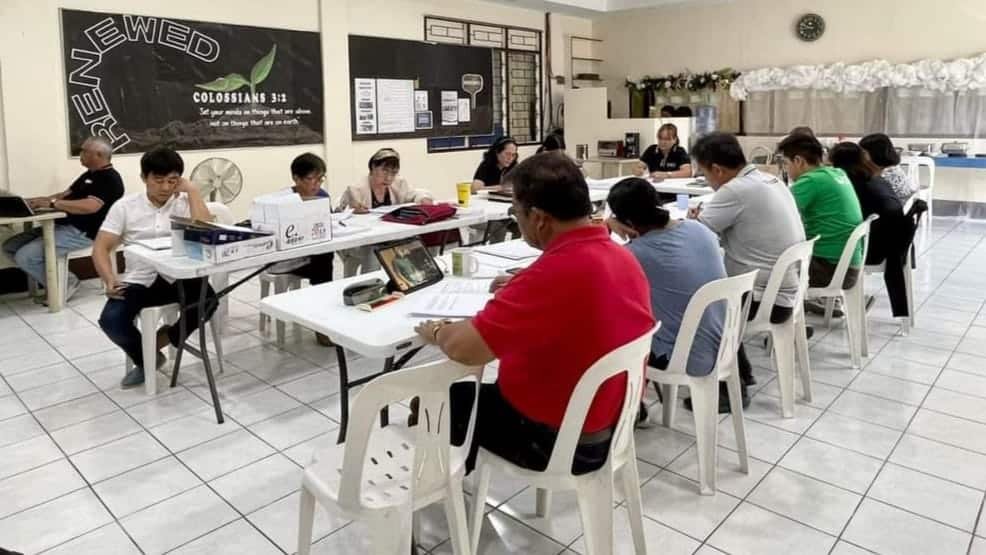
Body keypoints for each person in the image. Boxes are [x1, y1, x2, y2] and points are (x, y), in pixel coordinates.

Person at [414, 151, 654, 474]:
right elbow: (573, 295)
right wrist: (524, 283)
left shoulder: (553, 276)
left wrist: (438, 330)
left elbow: (464, 349)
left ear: (539, 218)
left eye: (517, 213)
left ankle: (444, 499)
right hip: (614, 421)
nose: (519, 221)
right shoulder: (621, 257)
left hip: (562, 442)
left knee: (440, 399)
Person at [687, 132, 807, 393]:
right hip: (787, 292)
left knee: (700, 302)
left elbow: (696, 239)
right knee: (721, 289)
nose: (708, 182)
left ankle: (728, 389)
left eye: (705, 175)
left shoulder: (735, 190)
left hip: (765, 300)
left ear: (717, 170)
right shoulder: (769, 179)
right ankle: (741, 372)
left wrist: (692, 221)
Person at [606, 177, 731, 417]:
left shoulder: (635, 253)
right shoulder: (698, 228)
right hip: (725, 342)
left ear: (628, 222)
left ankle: (628, 409)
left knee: (613, 324)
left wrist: (614, 229)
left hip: (687, 356)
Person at [93, 147, 216, 388]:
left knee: (209, 300)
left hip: (177, 276)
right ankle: (147, 358)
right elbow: (100, 247)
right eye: (158, 180)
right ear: (144, 178)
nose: (165, 188)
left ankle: (166, 337)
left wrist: (191, 190)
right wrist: (109, 279)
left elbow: (206, 230)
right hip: (140, 278)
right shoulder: (125, 207)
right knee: (111, 320)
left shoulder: (183, 202)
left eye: (172, 181)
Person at [2, 136, 124, 303]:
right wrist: (38, 201)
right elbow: (64, 195)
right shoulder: (88, 175)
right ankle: (56, 282)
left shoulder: (110, 179)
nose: (80, 154)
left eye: (84, 151)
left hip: (85, 232)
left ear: (98, 155)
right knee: (10, 246)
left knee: (25, 256)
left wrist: (53, 204)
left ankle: (66, 283)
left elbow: (91, 206)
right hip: (64, 225)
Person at [777, 133, 863, 317]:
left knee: (768, 269)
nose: (785, 169)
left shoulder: (811, 181)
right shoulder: (836, 173)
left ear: (798, 161)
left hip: (831, 270)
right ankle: (796, 317)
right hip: (848, 265)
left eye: (785, 163)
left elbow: (775, 211)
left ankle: (785, 324)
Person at [829, 142, 912, 317]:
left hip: (876, 249)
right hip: (893, 244)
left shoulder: (851, 183)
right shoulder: (874, 178)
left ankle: (823, 299)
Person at [265, 153, 336, 346]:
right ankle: (321, 325)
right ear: (296, 178)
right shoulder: (283, 201)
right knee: (324, 262)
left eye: (320, 179)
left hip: (312, 256)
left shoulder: (322, 197)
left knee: (324, 256)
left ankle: (322, 320)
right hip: (287, 259)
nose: (316, 185)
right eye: (310, 179)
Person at [337, 148, 433, 276]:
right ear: (372, 168)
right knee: (374, 251)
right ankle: (370, 287)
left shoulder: (399, 183)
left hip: (388, 235)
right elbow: (339, 213)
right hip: (361, 240)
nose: (388, 177)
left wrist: (423, 198)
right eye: (384, 171)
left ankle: (411, 279)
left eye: (393, 173)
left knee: (413, 241)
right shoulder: (356, 189)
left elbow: (414, 193)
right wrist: (354, 210)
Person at [860, 133, 918, 202]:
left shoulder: (888, 175)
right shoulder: (891, 169)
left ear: (875, 153)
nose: (860, 156)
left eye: (863, 153)